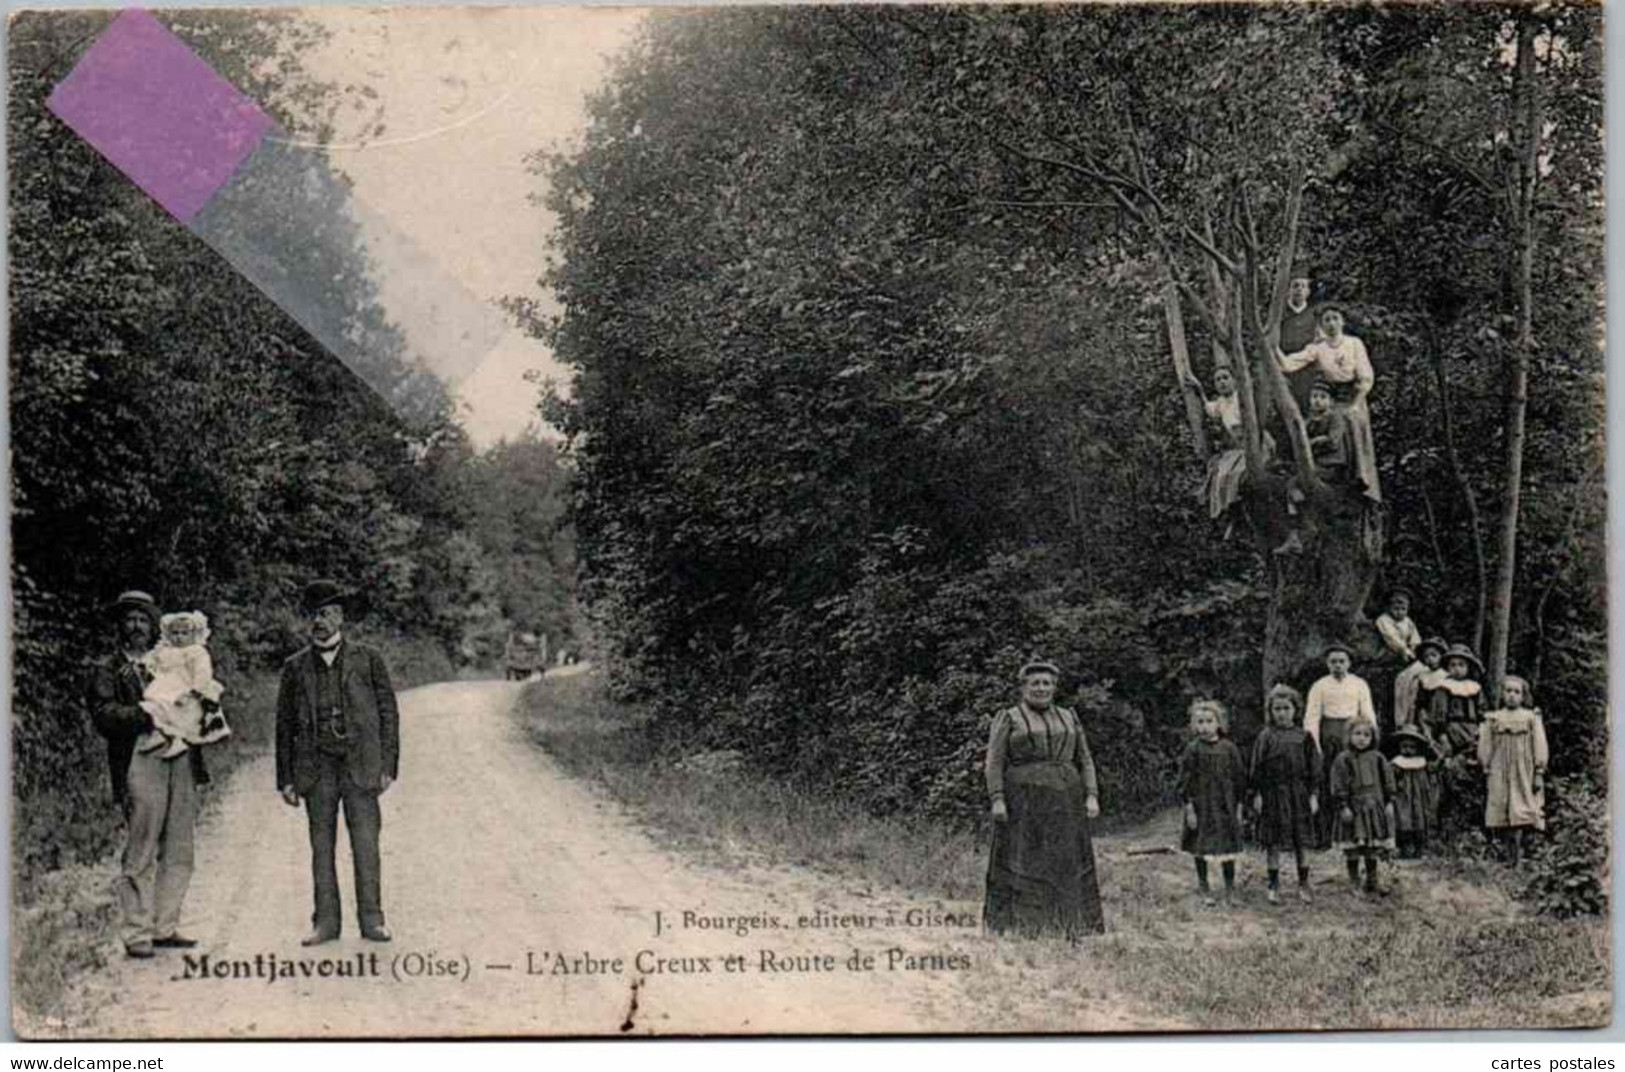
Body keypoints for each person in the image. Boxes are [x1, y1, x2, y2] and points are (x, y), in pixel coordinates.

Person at [85, 590, 209, 958]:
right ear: (120, 626)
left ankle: (165, 926)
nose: (137, 626)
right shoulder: (107, 670)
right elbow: (104, 716)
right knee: (141, 845)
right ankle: (137, 932)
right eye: (130, 619)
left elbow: (196, 694)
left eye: (143, 619)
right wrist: (146, 714)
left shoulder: (168, 659)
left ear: (153, 624)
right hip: (137, 760)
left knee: (179, 844)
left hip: (180, 757)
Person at [276, 579, 399, 945]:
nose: (320, 621)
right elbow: (283, 727)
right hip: (316, 769)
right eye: (314, 615)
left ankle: (372, 920)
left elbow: (388, 713)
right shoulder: (295, 668)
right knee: (321, 846)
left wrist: (388, 765)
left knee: (366, 844)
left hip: (360, 766)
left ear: (341, 617)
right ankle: (325, 924)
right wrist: (285, 778)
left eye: (327, 613)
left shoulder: (368, 659)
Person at [983, 659, 1104, 939]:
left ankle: (1070, 924)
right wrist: (997, 798)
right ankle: (1025, 925)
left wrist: (1092, 795)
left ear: (1055, 687)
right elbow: (994, 761)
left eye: (1047, 683)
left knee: (1066, 859)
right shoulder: (1009, 717)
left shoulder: (1068, 716)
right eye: (1035, 683)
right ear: (1023, 687)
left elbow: (1085, 759)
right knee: (1026, 858)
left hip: (1067, 799)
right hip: (1024, 800)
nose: (1041, 688)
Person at [1276, 306, 1381, 502]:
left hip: (1353, 397)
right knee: (1324, 425)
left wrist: (1355, 404)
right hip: (1329, 400)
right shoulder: (1318, 348)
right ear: (1321, 325)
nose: (1331, 323)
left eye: (1335, 319)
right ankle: (1328, 473)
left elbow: (1366, 378)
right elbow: (1289, 364)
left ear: (1342, 322)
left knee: (1352, 424)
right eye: (1327, 320)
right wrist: (1273, 347)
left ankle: (1361, 482)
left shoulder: (1353, 343)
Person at [1250, 684, 1321, 905]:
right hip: (1273, 794)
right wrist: (1257, 794)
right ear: (1270, 711)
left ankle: (1303, 883)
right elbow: (1257, 768)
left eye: (1286, 708)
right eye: (1277, 709)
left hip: (1298, 793)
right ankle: (1273, 885)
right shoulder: (1266, 736)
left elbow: (1314, 770)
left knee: (1302, 840)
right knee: (1273, 841)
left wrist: (1313, 795)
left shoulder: (1304, 737)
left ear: (1295, 709)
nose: (1281, 713)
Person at [1304, 642, 1375, 845]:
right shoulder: (1320, 686)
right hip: (1330, 740)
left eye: (1342, 661)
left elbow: (1367, 713)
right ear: (1327, 663)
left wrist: (1370, 739)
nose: (1338, 665)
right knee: (1330, 784)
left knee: (1354, 782)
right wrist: (1315, 746)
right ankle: (1326, 835)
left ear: (1349, 663)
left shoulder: (1359, 684)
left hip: (1353, 736)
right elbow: (1312, 717)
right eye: (1333, 661)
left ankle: (1357, 832)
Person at [1180, 700, 1247, 908]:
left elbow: (1240, 779)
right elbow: (1185, 782)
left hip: (1225, 805)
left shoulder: (1229, 748)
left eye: (1209, 721)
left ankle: (1230, 888)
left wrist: (1239, 807)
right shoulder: (1193, 750)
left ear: (1219, 723)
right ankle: (1204, 886)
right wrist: (1189, 809)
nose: (1205, 726)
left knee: (1228, 847)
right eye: (1200, 722)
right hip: (1203, 807)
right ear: (1194, 725)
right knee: (1201, 846)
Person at [137, 611, 230, 758]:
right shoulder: (166, 650)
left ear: (194, 634)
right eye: (175, 633)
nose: (179, 637)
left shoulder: (196, 651)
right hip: (166, 688)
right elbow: (151, 660)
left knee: (179, 717)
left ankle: (177, 741)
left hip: (186, 690)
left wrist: (194, 691)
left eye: (184, 633)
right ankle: (158, 734)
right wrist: (144, 665)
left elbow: (203, 674)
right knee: (155, 706)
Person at [1478, 675, 1548, 865]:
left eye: (1516, 692)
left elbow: (1539, 744)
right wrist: (1486, 764)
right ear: (1502, 694)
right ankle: (1505, 854)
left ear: (1523, 696)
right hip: (1499, 768)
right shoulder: (1494, 718)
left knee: (1522, 807)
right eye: (1508, 691)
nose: (1512, 696)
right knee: (1501, 805)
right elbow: (1486, 744)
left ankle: (1521, 853)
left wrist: (1538, 770)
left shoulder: (1530, 717)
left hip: (1523, 769)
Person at [1329, 719, 1396, 895]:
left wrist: (1389, 802)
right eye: (1357, 734)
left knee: (1371, 847)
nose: (1361, 738)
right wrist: (1343, 806)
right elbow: (1338, 784)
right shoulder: (1343, 759)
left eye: (1367, 735)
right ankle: (1354, 882)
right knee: (1353, 847)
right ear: (1349, 736)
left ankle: (1372, 880)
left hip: (1374, 808)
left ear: (1373, 737)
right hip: (1353, 809)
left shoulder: (1378, 758)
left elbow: (1388, 781)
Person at [1388, 724, 1440, 860]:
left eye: (1412, 747)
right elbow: (1390, 777)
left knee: (1419, 818)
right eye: (1404, 746)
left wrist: (1433, 747)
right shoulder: (1397, 762)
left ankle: (1420, 848)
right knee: (1404, 819)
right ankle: (1404, 847)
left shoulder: (1421, 762)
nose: (1408, 750)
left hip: (1419, 797)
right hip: (1404, 797)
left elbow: (1437, 765)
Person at [1425, 643, 1484, 759]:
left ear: (1468, 667)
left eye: (1461, 665)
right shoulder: (1444, 687)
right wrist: (1442, 734)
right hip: (1452, 728)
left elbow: (1482, 709)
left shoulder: (1474, 687)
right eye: (1453, 665)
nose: (1457, 669)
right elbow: (1439, 713)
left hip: (1472, 728)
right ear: (1447, 668)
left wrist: (1481, 727)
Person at [1278, 272, 1322, 416]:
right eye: (1295, 286)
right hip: (1282, 366)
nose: (1299, 289)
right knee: (1284, 408)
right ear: (1288, 290)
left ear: (1308, 292)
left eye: (1303, 286)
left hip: (1306, 369)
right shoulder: (1279, 314)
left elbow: (1319, 342)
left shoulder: (1314, 315)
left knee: (1305, 406)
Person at [1393, 635, 1448, 730]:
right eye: (1426, 656)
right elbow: (1418, 699)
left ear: (1441, 656)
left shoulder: (1445, 675)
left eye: (1434, 655)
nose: (1430, 659)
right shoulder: (1422, 676)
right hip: (1425, 712)